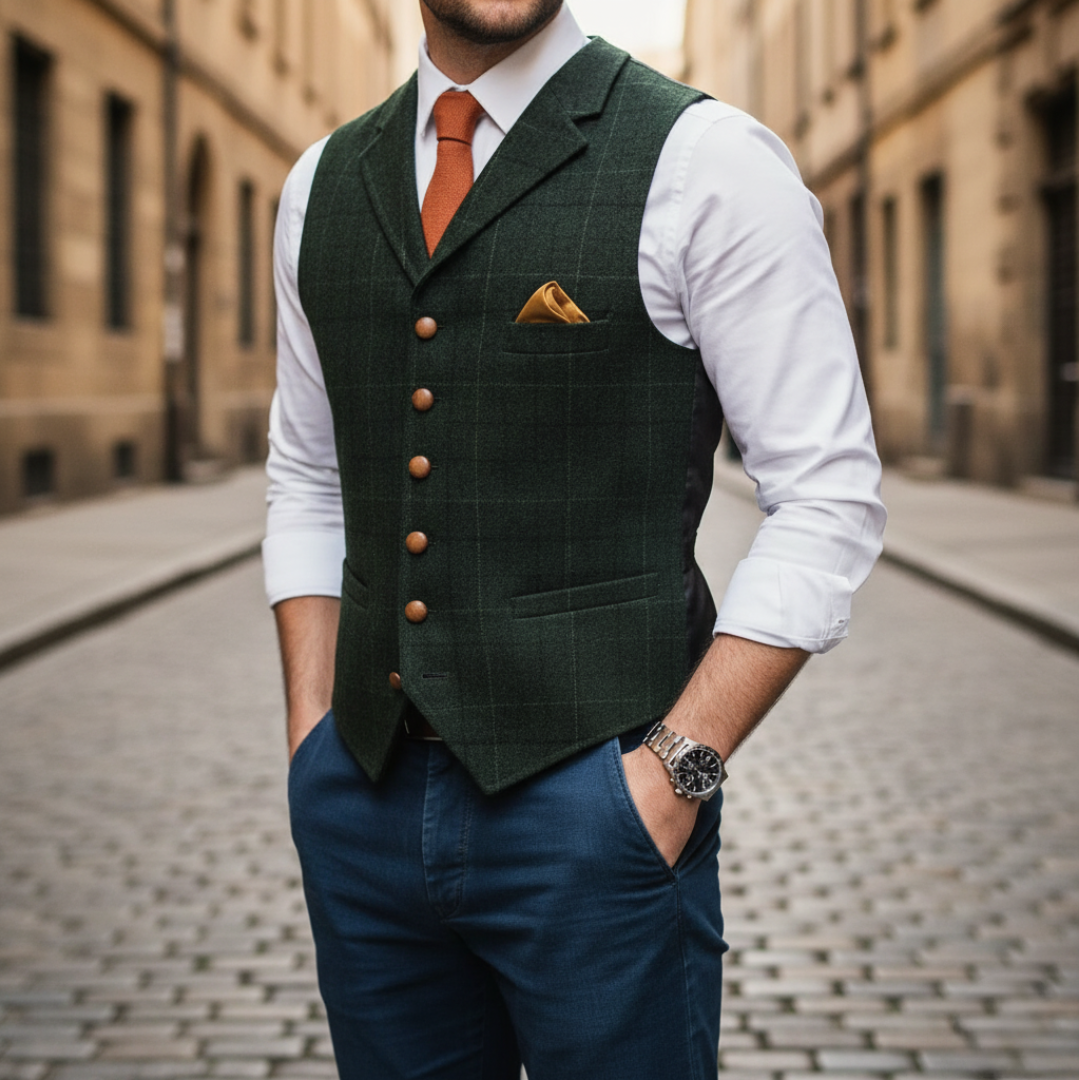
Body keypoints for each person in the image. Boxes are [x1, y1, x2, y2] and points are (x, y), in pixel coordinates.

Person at [264, 1, 886, 1077]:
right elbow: (311, 476)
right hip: (361, 805)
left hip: (600, 816)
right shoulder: (318, 184)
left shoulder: (707, 161)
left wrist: (673, 778)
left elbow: (827, 491)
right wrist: (311, 735)